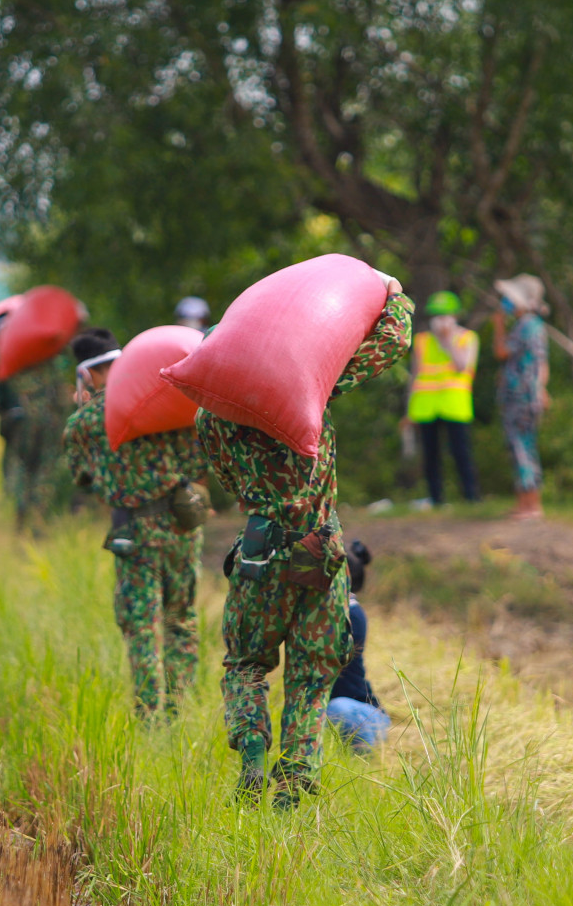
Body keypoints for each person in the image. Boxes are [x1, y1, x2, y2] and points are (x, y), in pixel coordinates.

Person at [196, 276, 413, 808]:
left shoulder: (209, 421)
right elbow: (392, 340)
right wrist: (393, 294)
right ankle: (295, 782)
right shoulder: (306, 392)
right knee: (312, 676)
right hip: (320, 553)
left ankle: (251, 755)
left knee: (246, 663)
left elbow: (229, 481)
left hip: (257, 552)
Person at [61, 327, 208, 719]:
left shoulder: (86, 422)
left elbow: (82, 477)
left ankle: (148, 714)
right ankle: (183, 711)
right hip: (181, 524)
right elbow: (200, 460)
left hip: (135, 533)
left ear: (88, 374)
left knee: (141, 623)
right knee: (182, 616)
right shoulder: (168, 397)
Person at [0, 323, 76, 532]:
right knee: (45, 470)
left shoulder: (9, 360)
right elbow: (62, 395)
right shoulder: (50, 358)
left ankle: (22, 516)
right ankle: (38, 520)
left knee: (23, 468)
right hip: (49, 422)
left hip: (23, 423)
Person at [405, 291, 480, 507]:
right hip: (426, 405)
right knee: (430, 455)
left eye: (445, 315)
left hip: (455, 404)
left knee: (461, 452)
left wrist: (448, 340)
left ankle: (471, 496)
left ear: (455, 316)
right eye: (436, 316)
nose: (440, 320)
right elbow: (415, 374)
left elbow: (462, 365)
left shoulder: (467, 338)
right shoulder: (422, 340)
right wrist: (409, 409)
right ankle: (436, 497)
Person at [492, 274, 550, 520]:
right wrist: (541, 389)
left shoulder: (525, 325)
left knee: (520, 448)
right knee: (524, 446)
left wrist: (498, 326)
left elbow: (501, 351)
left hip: (520, 396)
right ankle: (525, 504)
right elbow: (542, 364)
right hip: (527, 395)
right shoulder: (535, 325)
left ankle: (532, 507)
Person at [325, 541, 390, 750]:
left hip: (364, 715)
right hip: (337, 713)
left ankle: (363, 763)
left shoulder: (350, 614)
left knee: (337, 709)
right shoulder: (334, 610)